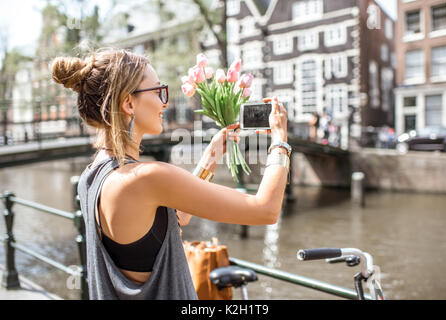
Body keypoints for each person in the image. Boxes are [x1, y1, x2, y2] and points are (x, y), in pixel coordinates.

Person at [51, 48, 290, 300]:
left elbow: (171, 223)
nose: (164, 102)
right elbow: (265, 209)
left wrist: (209, 160)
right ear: (128, 103)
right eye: (157, 91)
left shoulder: (92, 176)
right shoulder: (147, 177)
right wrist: (280, 141)